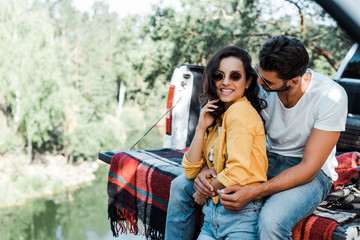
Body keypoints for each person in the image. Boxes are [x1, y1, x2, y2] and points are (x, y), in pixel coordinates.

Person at [165, 35, 348, 240]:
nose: (259, 83)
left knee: (271, 221)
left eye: (267, 81)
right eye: (259, 75)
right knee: (181, 186)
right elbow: (237, 134)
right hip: (264, 157)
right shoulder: (260, 85)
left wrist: (255, 191)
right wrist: (211, 166)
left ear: (294, 81)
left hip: (308, 171)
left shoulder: (330, 96)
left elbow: (309, 168)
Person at [181, 46, 268, 239]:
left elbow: (237, 172)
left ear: (248, 82)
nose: (225, 82)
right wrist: (201, 127)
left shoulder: (240, 112)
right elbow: (190, 169)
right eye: (219, 75)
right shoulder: (221, 115)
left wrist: (203, 193)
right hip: (213, 216)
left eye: (235, 76)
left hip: (240, 215)